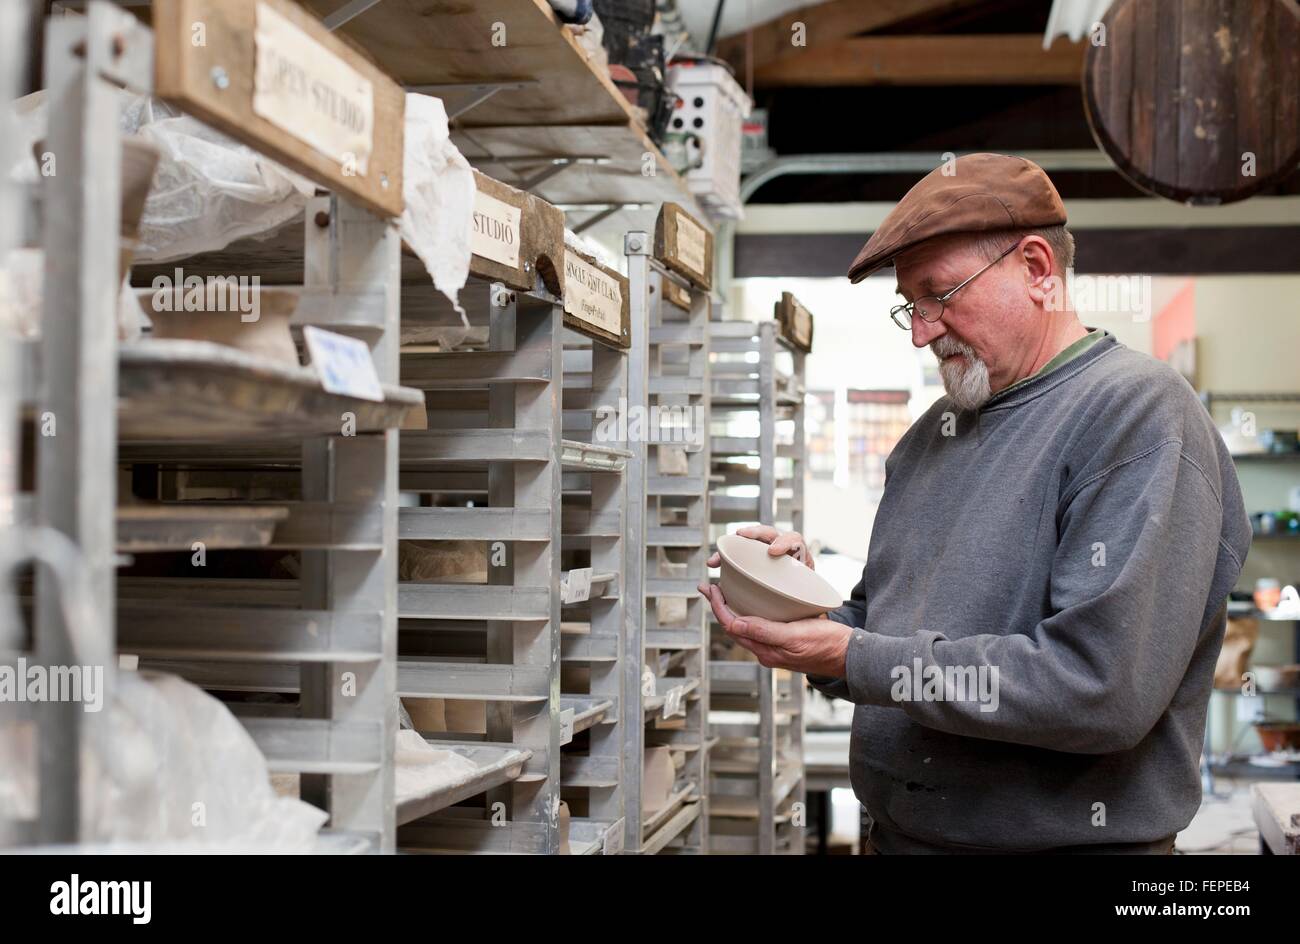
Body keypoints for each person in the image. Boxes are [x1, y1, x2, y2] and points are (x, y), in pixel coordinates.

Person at [698, 153, 1250, 854]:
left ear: (1038, 269)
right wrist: (799, 609)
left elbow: (1098, 689)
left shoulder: (1137, 416)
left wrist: (854, 654)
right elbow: (881, 635)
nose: (921, 331)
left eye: (939, 294)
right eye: (910, 305)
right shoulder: (932, 435)